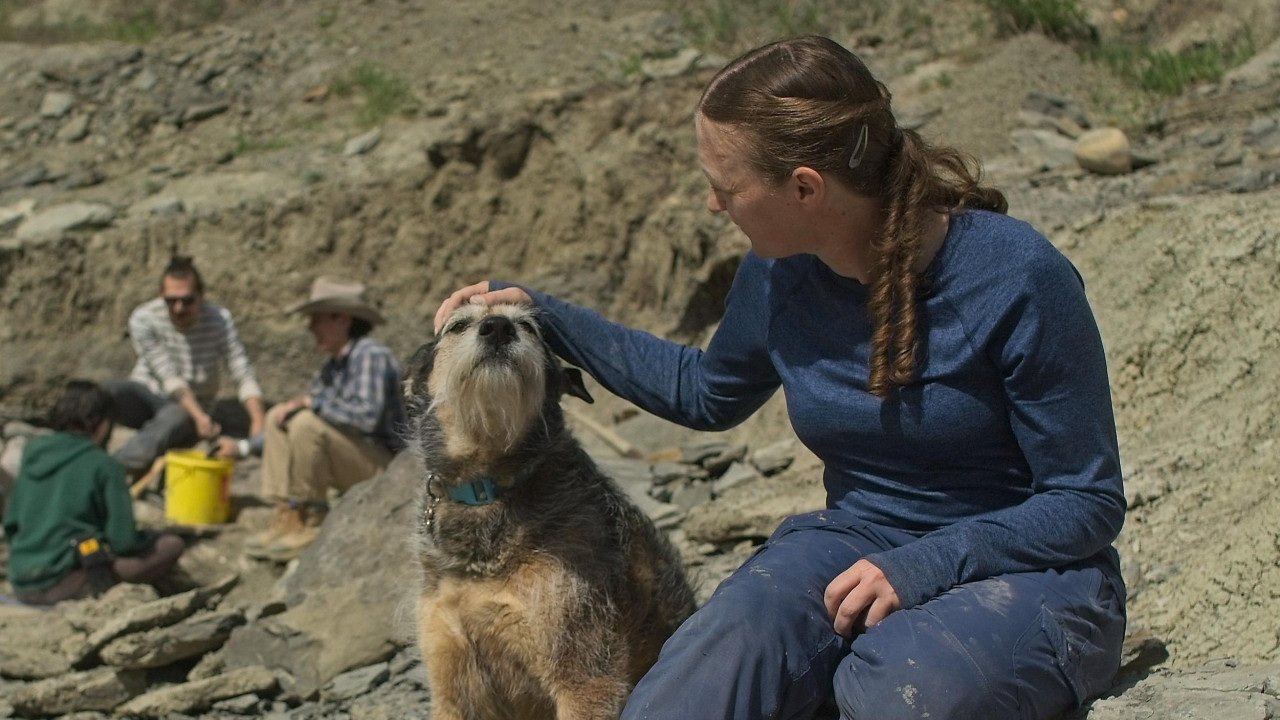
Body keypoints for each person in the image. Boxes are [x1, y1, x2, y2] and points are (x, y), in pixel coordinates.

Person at [433, 35, 1126, 720]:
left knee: (895, 693)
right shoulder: (781, 271)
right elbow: (704, 390)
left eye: (724, 186)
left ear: (805, 188)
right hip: (857, 543)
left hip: (1028, 571)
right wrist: (540, 313)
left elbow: (1085, 501)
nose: (713, 205)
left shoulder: (1016, 277)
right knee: (697, 681)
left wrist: (926, 566)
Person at [244, 276, 406, 561]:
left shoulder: (371, 355)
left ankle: (313, 515)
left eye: (316, 320)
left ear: (342, 319)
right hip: (353, 457)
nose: (310, 328)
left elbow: (366, 418)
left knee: (306, 423)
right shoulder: (331, 368)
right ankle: (289, 511)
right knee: (277, 418)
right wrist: (243, 447)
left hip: (383, 468)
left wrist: (313, 404)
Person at [3, 381, 185, 605]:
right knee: (170, 545)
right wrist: (149, 537)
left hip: (21, 582)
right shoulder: (103, 465)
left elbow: (11, 525)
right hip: (65, 584)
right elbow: (123, 541)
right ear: (103, 424)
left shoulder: (32, 454)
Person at [105, 256, 265, 477]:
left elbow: (240, 369)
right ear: (161, 296)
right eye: (171, 301)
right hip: (149, 395)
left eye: (187, 301)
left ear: (201, 296)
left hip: (191, 409)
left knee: (177, 415)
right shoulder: (144, 318)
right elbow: (168, 375)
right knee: (103, 393)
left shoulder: (219, 320)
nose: (179, 308)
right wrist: (200, 418)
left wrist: (257, 421)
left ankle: (115, 468)